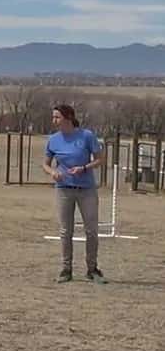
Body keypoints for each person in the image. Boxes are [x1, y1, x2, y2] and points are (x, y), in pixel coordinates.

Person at [43, 104, 106, 284]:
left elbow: (100, 159)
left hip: (86, 190)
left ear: (68, 117)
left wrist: (84, 168)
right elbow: (46, 163)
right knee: (65, 231)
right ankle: (66, 269)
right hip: (64, 189)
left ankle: (92, 268)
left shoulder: (86, 136)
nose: (54, 121)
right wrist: (52, 172)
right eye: (53, 117)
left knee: (91, 230)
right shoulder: (53, 139)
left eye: (57, 117)